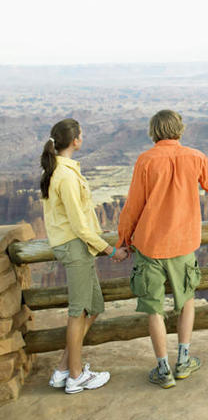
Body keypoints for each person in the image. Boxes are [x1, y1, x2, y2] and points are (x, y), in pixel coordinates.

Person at [115, 109, 208, 388]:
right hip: (183, 244)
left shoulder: (145, 160)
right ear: (179, 129)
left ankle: (163, 371)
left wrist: (123, 240)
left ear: (154, 131)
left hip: (149, 246)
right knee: (187, 301)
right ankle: (183, 362)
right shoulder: (196, 157)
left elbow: (133, 206)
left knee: (153, 309)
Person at [40, 118, 126, 394]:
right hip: (76, 247)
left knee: (94, 307)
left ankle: (64, 368)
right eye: (82, 134)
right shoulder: (64, 176)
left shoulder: (62, 170)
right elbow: (78, 225)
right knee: (78, 312)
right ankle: (76, 377)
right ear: (75, 140)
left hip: (79, 246)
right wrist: (109, 249)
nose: (83, 137)